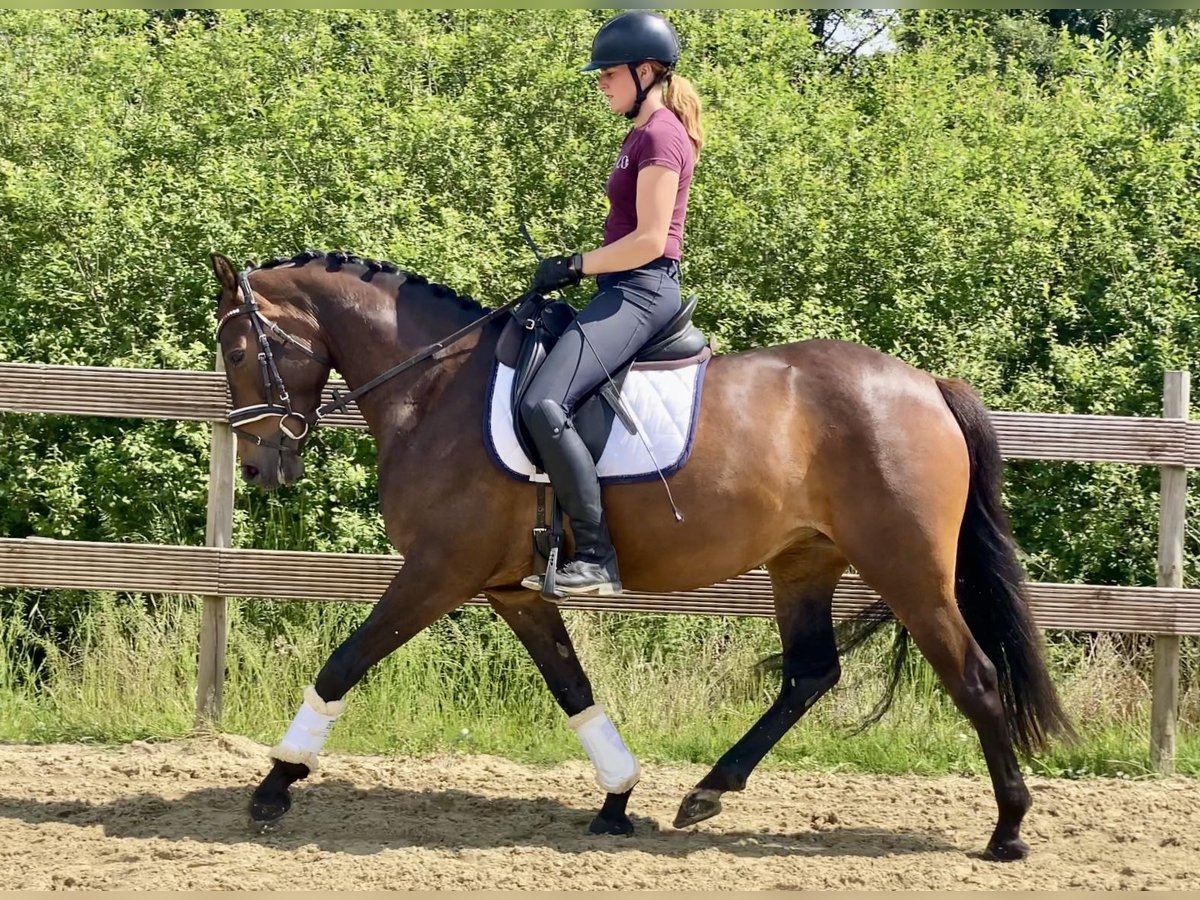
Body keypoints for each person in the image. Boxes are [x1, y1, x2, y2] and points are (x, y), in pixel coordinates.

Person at [519, 11, 704, 596]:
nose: (600, 81)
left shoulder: (660, 134)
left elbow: (651, 239)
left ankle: (596, 557)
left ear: (645, 71)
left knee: (545, 402)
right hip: (621, 288)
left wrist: (574, 265)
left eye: (608, 72)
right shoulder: (638, 134)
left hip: (643, 290)